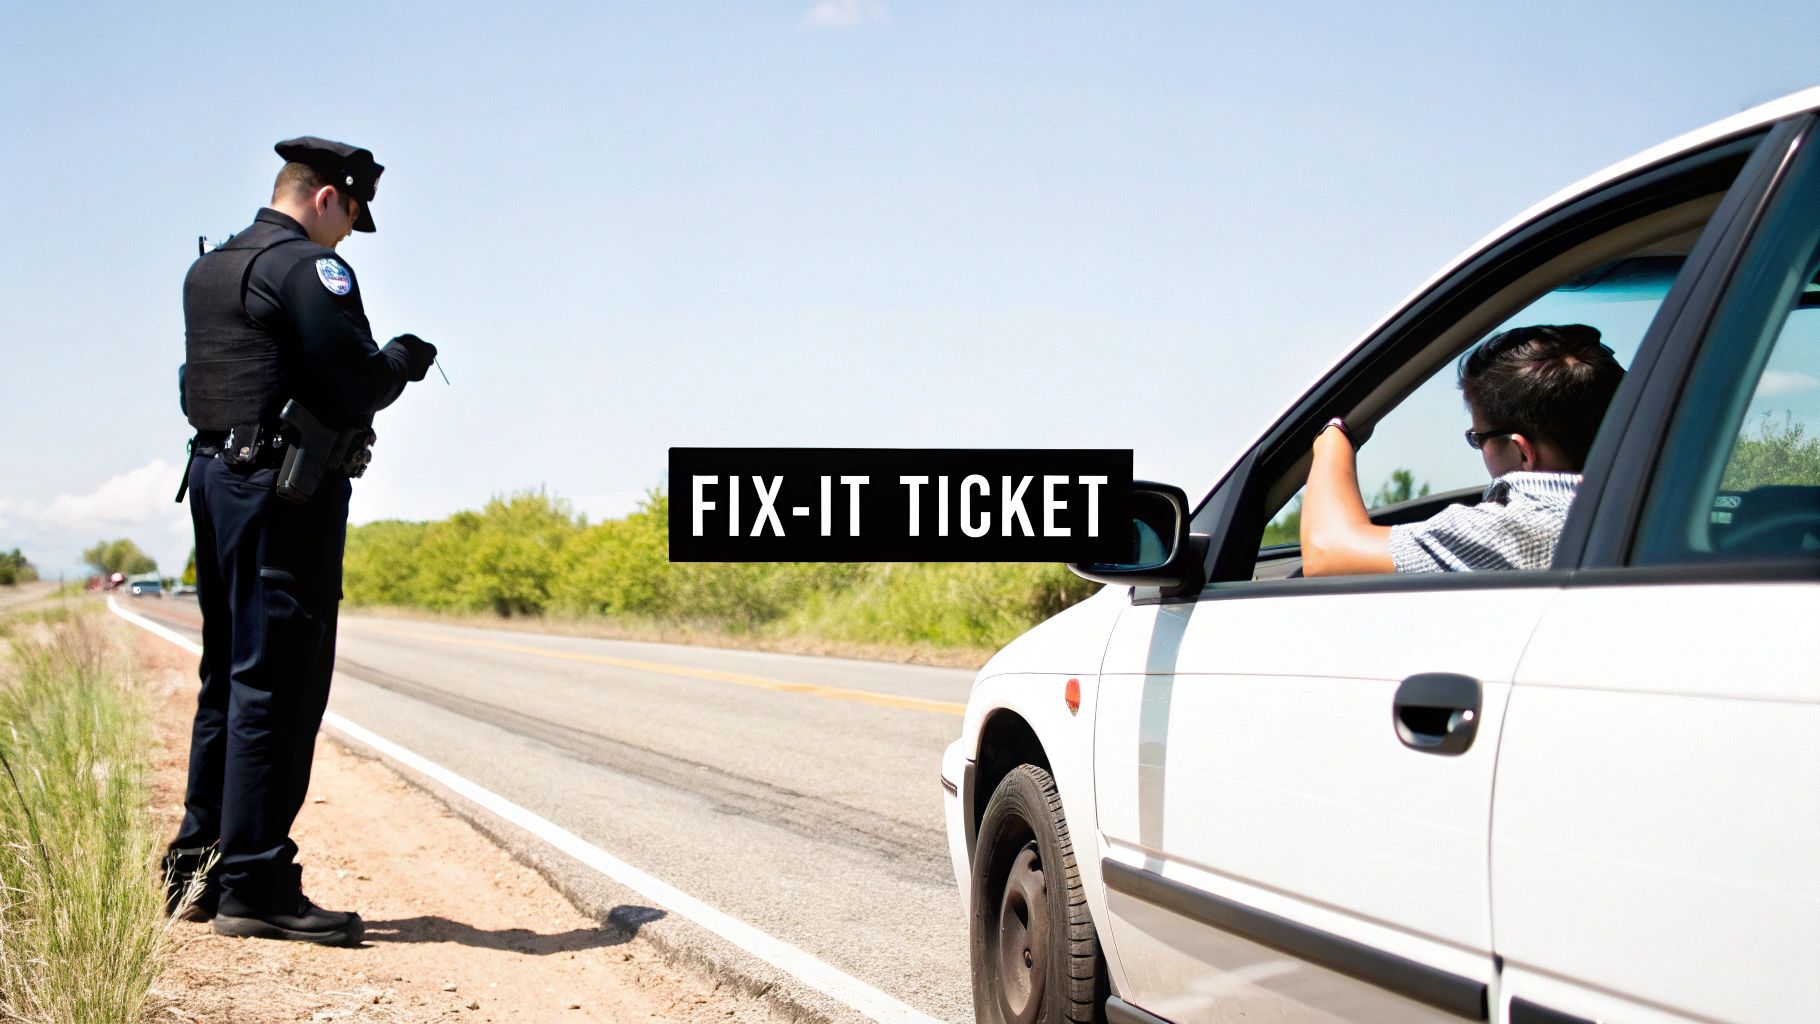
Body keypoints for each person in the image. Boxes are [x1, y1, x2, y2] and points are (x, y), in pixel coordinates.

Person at [165, 137, 438, 945]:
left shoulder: (212, 266)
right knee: (278, 682)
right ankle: (257, 884)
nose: (350, 235)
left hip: (216, 478)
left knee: (230, 676)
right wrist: (405, 358)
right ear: (327, 197)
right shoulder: (309, 268)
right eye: (353, 216)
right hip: (283, 494)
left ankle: (197, 872)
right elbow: (358, 379)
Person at [1300, 324, 1624, 576]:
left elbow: (1327, 552)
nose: (1479, 448)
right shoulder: (1646, 498)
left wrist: (1333, 434)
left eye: (1479, 438)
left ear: (1522, 452)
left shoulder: (1525, 524)